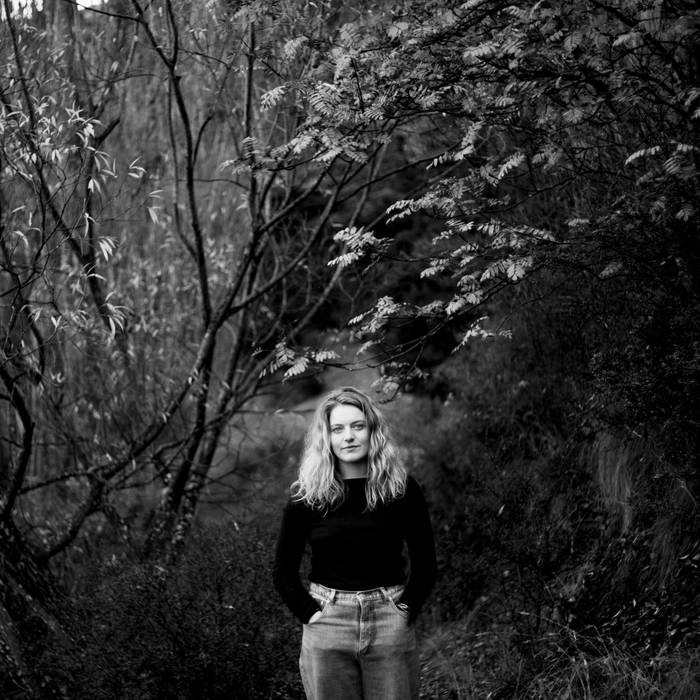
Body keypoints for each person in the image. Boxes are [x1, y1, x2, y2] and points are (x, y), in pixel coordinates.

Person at [273, 386, 437, 700]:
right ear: (327, 437)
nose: (348, 436)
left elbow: (426, 565)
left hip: (388, 620)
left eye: (357, 426)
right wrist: (312, 616)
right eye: (337, 429)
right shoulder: (307, 496)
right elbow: (283, 573)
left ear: (373, 431)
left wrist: (404, 611)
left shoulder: (401, 489)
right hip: (328, 623)